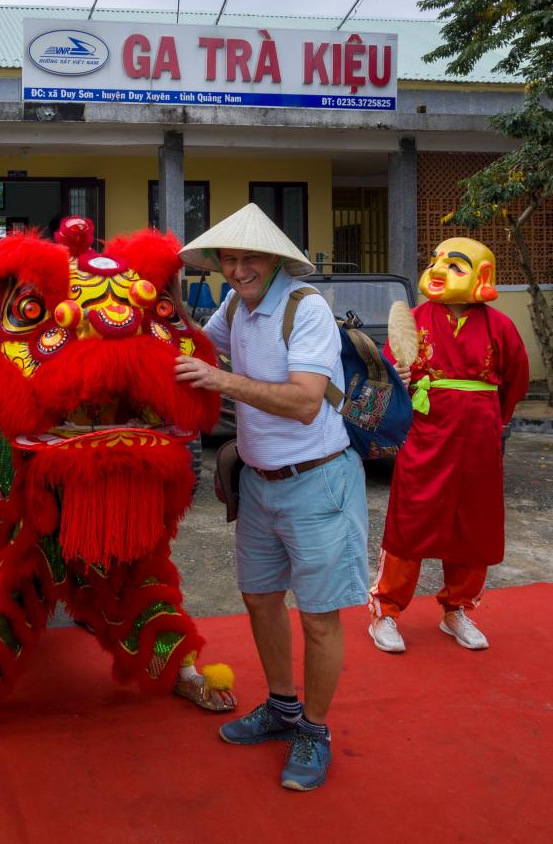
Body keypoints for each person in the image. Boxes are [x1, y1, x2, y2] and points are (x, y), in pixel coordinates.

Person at [174, 202, 368, 792]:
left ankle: (315, 727)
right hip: (259, 482)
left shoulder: (304, 308)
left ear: (276, 258)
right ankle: (282, 707)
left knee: (318, 618)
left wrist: (221, 381)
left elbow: (306, 400)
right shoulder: (236, 304)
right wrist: (152, 296)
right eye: (227, 259)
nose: (236, 269)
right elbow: (193, 344)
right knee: (260, 601)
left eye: (248, 257)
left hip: (318, 482)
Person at [369, 237, 529, 654]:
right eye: (436, 261)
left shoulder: (501, 326)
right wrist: (400, 383)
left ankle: (457, 608)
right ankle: (386, 610)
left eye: (454, 265)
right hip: (426, 434)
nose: (439, 270)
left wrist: (494, 419)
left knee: (473, 524)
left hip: (478, 438)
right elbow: (389, 370)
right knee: (411, 519)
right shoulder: (414, 319)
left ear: (482, 276)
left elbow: (516, 380)